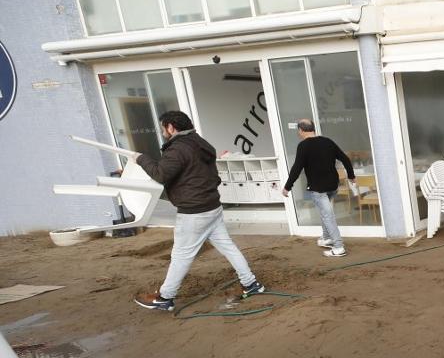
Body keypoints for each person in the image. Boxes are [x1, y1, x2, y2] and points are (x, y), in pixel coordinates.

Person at [133, 111, 264, 311]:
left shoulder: (177, 149)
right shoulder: (202, 143)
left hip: (194, 212)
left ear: (171, 127)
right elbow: (208, 174)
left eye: (163, 128)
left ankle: (165, 297)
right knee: (228, 246)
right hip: (212, 206)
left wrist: (141, 159)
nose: (163, 132)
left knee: (181, 255)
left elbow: (160, 174)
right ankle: (251, 283)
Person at [282, 118, 357, 258]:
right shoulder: (327, 141)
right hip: (332, 186)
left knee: (328, 215)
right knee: (325, 211)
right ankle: (326, 238)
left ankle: (339, 247)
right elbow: (345, 159)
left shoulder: (303, 146)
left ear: (301, 130)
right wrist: (351, 176)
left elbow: (296, 168)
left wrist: (287, 187)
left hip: (318, 188)